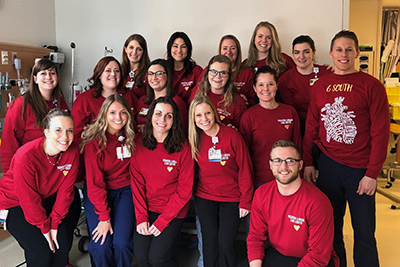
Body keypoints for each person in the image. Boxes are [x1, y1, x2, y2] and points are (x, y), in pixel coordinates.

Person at [303, 30, 390, 267]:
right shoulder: (320, 85)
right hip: (328, 166)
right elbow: (312, 125)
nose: (344, 54)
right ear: (331, 53)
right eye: (339, 50)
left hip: (360, 169)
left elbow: (380, 133)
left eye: (349, 49)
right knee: (331, 231)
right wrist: (308, 161)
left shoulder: (372, 86)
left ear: (357, 53)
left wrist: (372, 174)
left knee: (364, 234)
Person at [0, 109, 81, 267]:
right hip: (14, 203)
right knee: (42, 252)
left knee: (61, 245)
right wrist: (45, 228)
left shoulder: (73, 150)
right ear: (47, 132)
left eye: (69, 130)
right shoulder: (26, 156)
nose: (65, 137)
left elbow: (65, 192)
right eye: (58, 130)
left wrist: (55, 224)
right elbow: (29, 200)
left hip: (47, 198)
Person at [247, 140, 339, 267]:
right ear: (270, 165)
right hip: (279, 255)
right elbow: (255, 238)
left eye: (290, 161)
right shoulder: (261, 194)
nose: (283, 167)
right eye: (277, 161)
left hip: (314, 261)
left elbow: (318, 255)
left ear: (300, 165)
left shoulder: (318, 202)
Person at [188, 95, 254, 267]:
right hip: (205, 197)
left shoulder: (232, 136)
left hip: (231, 198)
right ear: (193, 119)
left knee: (225, 243)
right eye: (199, 115)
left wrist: (246, 201)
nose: (204, 119)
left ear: (214, 113)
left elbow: (245, 169)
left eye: (207, 113)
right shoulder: (194, 139)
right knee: (209, 242)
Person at [131, 97, 194, 267]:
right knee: (142, 257)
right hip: (147, 208)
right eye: (158, 114)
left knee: (158, 258)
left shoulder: (183, 147)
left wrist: (163, 221)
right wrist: (141, 217)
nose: (162, 120)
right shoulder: (138, 142)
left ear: (174, 121)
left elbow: (185, 190)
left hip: (173, 211)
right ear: (150, 116)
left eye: (169, 116)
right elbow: (137, 185)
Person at [80, 94, 135, 267]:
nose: (118, 118)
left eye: (123, 112)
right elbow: (95, 183)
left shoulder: (133, 137)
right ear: (104, 114)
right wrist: (104, 218)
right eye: (112, 112)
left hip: (125, 192)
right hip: (98, 194)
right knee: (100, 245)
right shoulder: (94, 141)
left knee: (122, 243)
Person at [0, 59, 69, 173]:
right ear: (35, 79)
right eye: (43, 73)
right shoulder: (21, 105)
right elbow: (9, 143)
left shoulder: (60, 102)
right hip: (29, 167)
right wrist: (11, 174)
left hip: (55, 168)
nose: (48, 77)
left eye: (52, 73)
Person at [240, 66, 301, 186]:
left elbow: (298, 146)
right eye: (261, 85)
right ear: (254, 88)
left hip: (288, 178)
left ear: (277, 86)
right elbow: (244, 155)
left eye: (270, 84)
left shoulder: (290, 112)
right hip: (259, 180)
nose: (266, 89)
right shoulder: (248, 116)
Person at [71, 56, 138, 146]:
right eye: (108, 70)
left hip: (126, 148)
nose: (113, 74)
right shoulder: (84, 99)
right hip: (97, 150)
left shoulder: (129, 96)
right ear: (99, 75)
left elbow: (136, 126)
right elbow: (76, 132)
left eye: (117, 71)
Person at [279, 35, 332, 136]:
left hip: (326, 124)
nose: (301, 56)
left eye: (306, 52)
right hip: (301, 127)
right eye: (297, 52)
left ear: (314, 52)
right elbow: (291, 111)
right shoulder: (285, 79)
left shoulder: (327, 73)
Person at [191, 55, 247, 129]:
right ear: (207, 74)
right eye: (214, 72)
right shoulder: (197, 94)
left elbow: (242, 132)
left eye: (223, 73)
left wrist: (234, 131)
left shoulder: (238, 102)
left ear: (229, 77)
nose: (217, 77)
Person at [136, 58, 188, 133]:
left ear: (168, 76)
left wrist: (149, 129)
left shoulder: (177, 102)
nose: (154, 77)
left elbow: (182, 132)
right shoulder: (143, 101)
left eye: (159, 73)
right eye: (150, 73)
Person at [166, 31, 203, 105]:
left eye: (183, 47)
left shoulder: (197, 71)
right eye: (175, 46)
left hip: (190, 111)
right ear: (170, 48)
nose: (179, 50)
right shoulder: (163, 69)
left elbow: (200, 96)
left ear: (188, 50)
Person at [121, 34, 151, 99]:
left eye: (139, 49)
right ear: (125, 49)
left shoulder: (149, 73)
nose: (134, 52)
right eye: (131, 48)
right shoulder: (119, 71)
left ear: (143, 52)